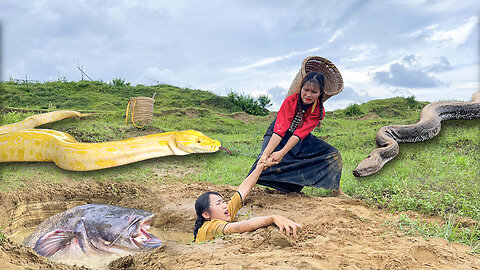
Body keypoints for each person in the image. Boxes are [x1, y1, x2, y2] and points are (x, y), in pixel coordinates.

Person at [249, 71, 345, 196]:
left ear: (320, 94)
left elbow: (299, 134)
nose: (308, 95)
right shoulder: (290, 102)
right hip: (277, 133)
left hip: (299, 138)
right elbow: (279, 130)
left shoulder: (318, 111)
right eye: (306, 90)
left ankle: (336, 190)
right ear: (300, 88)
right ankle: (247, 188)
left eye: (314, 92)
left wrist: (282, 153)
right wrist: (266, 154)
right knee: (264, 160)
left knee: (333, 154)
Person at [193, 161, 301, 243]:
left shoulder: (222, 213)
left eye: (223, 201)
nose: (224, 205)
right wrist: (272, 218)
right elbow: (239, 227)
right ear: (206, 214)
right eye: (218, 203)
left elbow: (242, 191)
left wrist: (261, 167)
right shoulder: (210, 227)